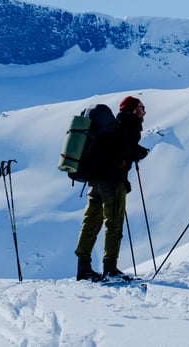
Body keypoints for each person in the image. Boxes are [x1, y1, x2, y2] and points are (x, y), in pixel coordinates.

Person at [74, 96, 149, 281]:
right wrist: (139, 153)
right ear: (133, 109)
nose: (144, 111)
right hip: (113, 183)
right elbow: (124, 149)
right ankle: (110, 269)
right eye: (141, 107)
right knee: (113, 224)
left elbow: (116, 147)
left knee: (90, 222)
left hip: (95, 181)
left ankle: (83, 268)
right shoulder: (130, 123)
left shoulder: (112, 125)